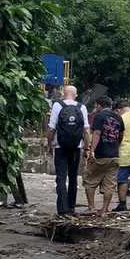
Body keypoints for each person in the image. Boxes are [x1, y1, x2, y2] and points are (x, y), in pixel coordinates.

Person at [46, 85, 91, 216]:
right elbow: (86, 131)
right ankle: (71, 207)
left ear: (63, 94)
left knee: (61, 177)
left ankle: (62, 209)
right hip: (76, 147)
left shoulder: (57, 106)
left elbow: (51, 128)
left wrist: (49, 145)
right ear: (75, 95)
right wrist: (87, 148)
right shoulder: (82, 107)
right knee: (73, 177)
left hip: (61, 147)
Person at [81, 96, 124, 217]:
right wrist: (116, 146)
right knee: (109, 184)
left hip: (100, 155)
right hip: (114, 155)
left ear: (99, 106)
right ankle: (104, 210)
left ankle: (91, 208)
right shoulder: (118, 117)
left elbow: (97, 133)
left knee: (90, 180)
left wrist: (91, 151)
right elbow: (121, 135)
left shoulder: (99, 116)